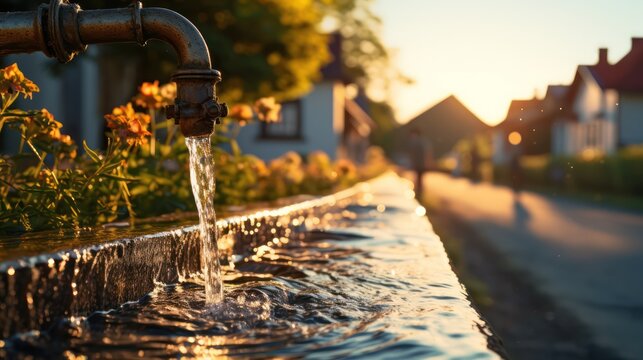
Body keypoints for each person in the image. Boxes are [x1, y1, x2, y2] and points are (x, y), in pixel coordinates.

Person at [407, 128, 431, 198]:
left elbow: (426, 153)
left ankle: (419, 193)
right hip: (419, 163)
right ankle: (419, 193)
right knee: (418, 178)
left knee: (419, 178)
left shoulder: (416, 142)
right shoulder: (423, 141)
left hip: (420, 163)